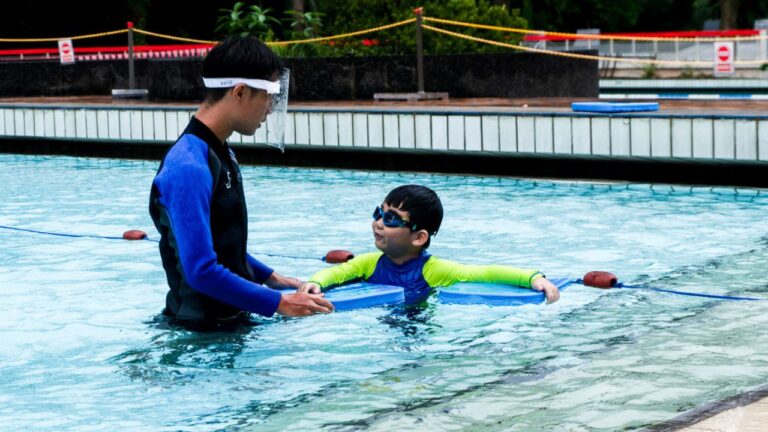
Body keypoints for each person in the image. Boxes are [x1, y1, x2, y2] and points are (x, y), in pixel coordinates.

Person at [149, 36, 333, 329]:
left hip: (228, 323)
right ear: (240, 92)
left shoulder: (221, 153)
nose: (271, 108)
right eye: (268, 96)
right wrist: (279, 303)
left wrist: (270, 278)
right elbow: (201, 271)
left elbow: (221, 242)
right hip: (198, 332)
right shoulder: (188, 166)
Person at [301, 185, 560, 304]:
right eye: (379, 213)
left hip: (420, 324)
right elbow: (339, 272)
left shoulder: (433, 270)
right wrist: (317, 282)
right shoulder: (370, 263)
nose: (379, 223)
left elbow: (485, 273)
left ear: (419, 237)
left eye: (391, 219)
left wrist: (533, 278)